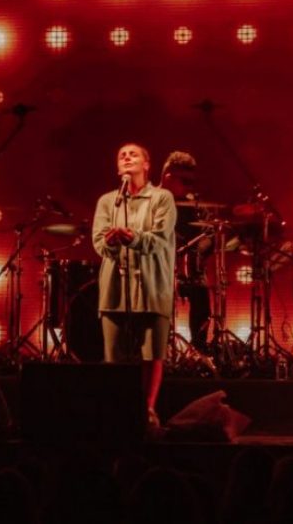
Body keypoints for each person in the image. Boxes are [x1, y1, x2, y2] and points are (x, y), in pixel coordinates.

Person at [92, 143, 176, 429]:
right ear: (118, 167)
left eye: (133, 154)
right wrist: (111, 242)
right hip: (115, 286)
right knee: (113, 357)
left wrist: (134, 238)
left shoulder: (162, 198)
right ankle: (117, 412)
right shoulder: (108, 201)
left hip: (152, 285)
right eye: (122, 155)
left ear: (147, 164)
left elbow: (160, 238)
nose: (127, 157)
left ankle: (148, 410)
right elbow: (99, 241)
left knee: (152, 354)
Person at [160, 151, 213, 354]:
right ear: (168, 177)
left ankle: (199, 351)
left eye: (192, 181)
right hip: (158, 270)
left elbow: (210, 233)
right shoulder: (150, 200)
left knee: (202, 297)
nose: (190, 187)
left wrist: (199, 251)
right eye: (185, 181)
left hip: (189, 269)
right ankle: (161, 350)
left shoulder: (194, 206)